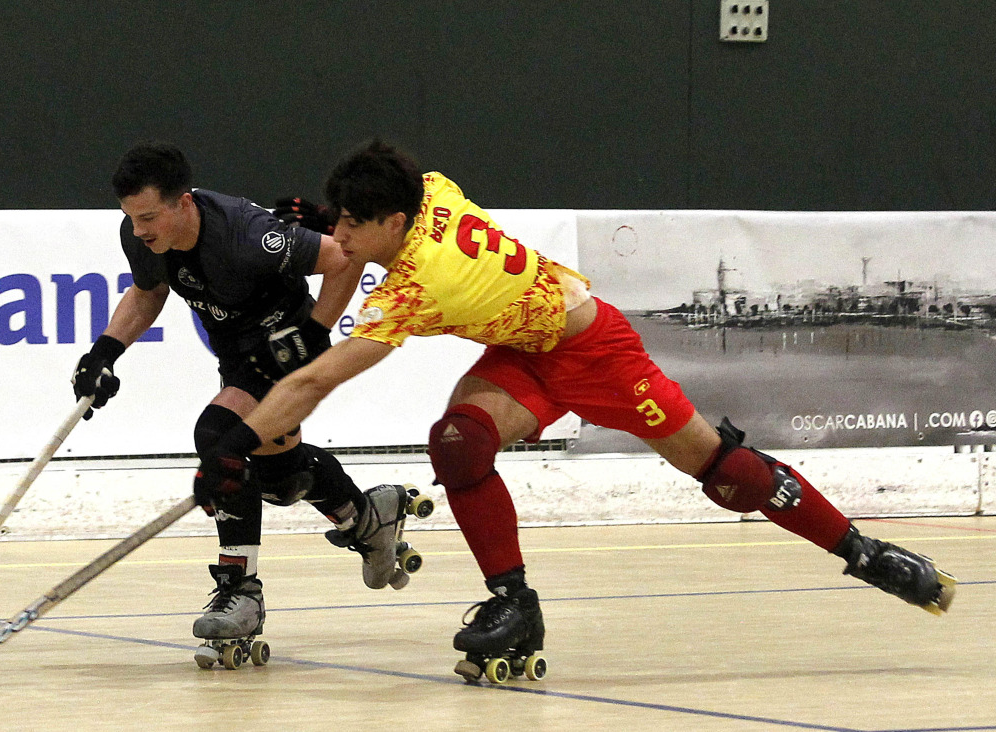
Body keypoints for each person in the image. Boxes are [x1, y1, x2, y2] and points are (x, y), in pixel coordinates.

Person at [194, 139, 957, 680]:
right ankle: (514, 605)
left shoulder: (419, 285)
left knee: (728, 476)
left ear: (393, 224)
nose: (341, 238)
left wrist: (235, 443)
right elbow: (378, 212)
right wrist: (329, 219)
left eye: (353, 226)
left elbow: (318, 379)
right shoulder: (432, 188)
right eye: (340, 221)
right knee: (459, 446)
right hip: (523, 352)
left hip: (595, 351)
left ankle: (864, 552)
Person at [71, 142, 416, 656]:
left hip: (283, 351)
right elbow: (148, 291)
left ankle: (240, 591)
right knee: (279, 478)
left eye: (148, 218)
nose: (139, 231)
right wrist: (105, 350)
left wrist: (316, 332)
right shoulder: (142, 236)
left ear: (183, 202)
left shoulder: (247, 235)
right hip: (238, 358)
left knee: (218, 440)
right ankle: (368, 517)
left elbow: (344, 255)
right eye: (131, 219)